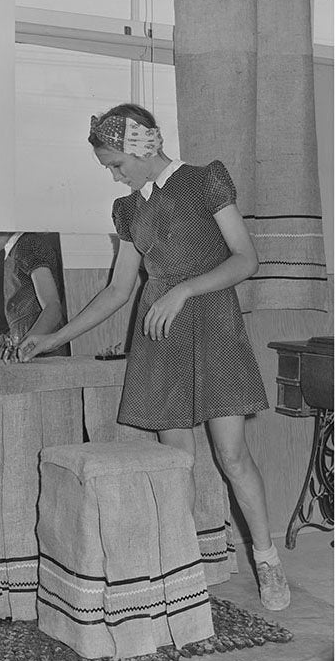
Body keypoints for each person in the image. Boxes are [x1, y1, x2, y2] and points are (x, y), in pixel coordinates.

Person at [17, 104, 290, 611]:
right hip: (160, 338)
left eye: (118, 163)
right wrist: (52, 339)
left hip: (214, 327)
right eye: (110, 168)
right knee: (176, 463)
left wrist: (183, 290)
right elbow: (118, 290)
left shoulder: (205, 182)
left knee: (232, 455)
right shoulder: (128, 211)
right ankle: (183, 570)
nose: (115, 175)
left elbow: (246, 258)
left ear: (145, 146)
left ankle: (268, 560)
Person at [0, 232, 69, 360]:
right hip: (34, 355)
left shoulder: (27, 244)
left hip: (45, 355)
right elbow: (28, 311)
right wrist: (10, 336)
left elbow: (53, 309)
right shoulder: (14, 251)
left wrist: (22, 348)